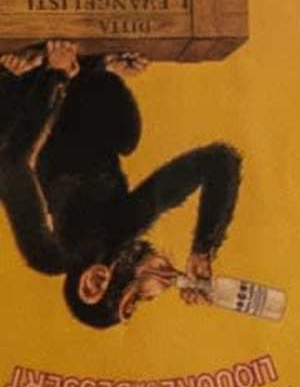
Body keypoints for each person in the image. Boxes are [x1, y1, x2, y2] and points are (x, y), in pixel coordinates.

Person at [0, 43, 245, 330]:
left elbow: (10, 165)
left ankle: (82, 67)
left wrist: (54, 76)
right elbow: (219, 161)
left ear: (95, 282)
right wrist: (204, 247)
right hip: (73, 85)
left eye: (135, 298)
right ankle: (97, 65)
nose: (151, 296)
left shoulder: (50, 255)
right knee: (127, 136)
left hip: (32, 90)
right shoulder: (127, 224)